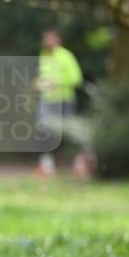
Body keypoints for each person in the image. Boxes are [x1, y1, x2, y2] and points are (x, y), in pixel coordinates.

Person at [35, 30, 83, 177]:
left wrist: (57, 84)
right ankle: (46, 165)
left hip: (65, 100)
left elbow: (77, 78)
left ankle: (79, 164)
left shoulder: (66, 56)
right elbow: (43, 77)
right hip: (47, 101)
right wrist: (38, 83)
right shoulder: (43, 55)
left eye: (51, 39)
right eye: (46, 39)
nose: (48, 42)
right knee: (43, 130)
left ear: (58, 40)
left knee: (68, 133)